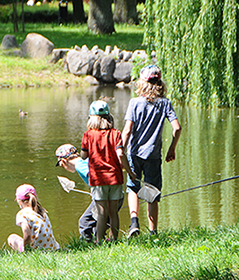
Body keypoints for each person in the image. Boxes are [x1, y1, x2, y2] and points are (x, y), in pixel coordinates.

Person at [122, 65, 182, 236]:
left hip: (134, 154)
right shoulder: (165, 103)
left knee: (133, 187)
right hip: (153, 156)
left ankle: (134, 223)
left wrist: (120, 149)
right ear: (160, 83)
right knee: (151, 190)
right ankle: (153, 232)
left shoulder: (134, 102)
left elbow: (127, 130)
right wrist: (172, 149)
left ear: (142, 83)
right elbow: (177, 128)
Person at [81, 101, 135, 244]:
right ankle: (114, 240)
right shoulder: (116, 134)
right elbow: (121, 155)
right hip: (115, 178)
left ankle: (99, 242)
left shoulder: (88, 135)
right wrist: (129, 172)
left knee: (101, 213)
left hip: (98, 179)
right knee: (113, 213)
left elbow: (83, 156)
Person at [55, 144, 124, 243]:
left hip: (105, 195)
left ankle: (86, 245)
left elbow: (94, 176)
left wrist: (97, 190)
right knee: (101, 222)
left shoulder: (79, 165)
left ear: (64, 161)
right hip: (116, 193)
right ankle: (107, 241)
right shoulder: (87, 159)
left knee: (85, 222)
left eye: (61, 165)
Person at [7, 184, 60, 252]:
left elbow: (27, 233)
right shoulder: (42, 211)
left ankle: (26, 252)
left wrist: (27, 251)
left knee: (12, 237)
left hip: (36, 251)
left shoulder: (22, 214)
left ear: (19, 202)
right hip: (53, 249)